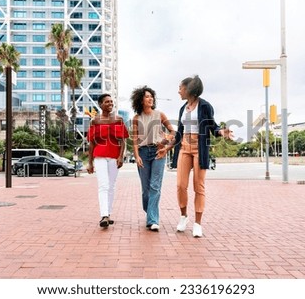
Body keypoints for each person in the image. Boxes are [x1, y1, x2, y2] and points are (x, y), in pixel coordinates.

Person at [172, 75, 232, 237]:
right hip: (184, 147)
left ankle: (198, 223)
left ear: (189, 89)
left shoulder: (205, 106)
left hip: (199, 149)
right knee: (180, 185)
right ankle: (184, 216)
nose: (179, 91)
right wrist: (167, 147)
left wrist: (222, 132)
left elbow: (213, 126)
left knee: (198, 186)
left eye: (180, 88)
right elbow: (179, 132)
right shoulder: (182, 109)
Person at [131, 86, 175, 231]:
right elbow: (135, 140)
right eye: (147, 96)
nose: (150, 99)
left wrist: (165, 141)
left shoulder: (160, 115)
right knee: (146, 190)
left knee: (155, 186)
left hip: (158, 152)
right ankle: (150, 212)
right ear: (141, 100)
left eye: (151, 96)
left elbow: (173, 131)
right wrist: (136, 156)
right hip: (143, 152)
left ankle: (152, 220)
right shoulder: (136, 118)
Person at [87, 93, 129, 228]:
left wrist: (121, 156)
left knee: (111, 186)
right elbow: (91, 143)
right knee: (103, 185)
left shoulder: (119, 119)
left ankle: (108, 213)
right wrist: (90, 162)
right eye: (107, 102)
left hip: (114, 156)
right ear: (100, 105)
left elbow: (123, 140)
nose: (110, 104)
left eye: (111, 102)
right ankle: (104, 215)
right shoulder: (95, 121)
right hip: (99, 155)